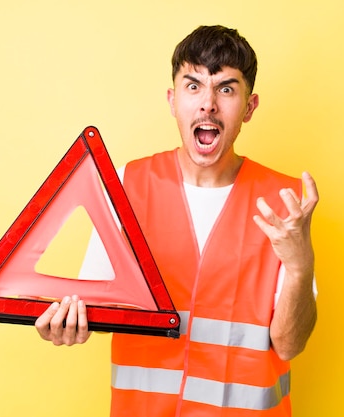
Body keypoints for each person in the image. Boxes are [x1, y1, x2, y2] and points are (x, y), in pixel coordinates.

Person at [35, 25, 318, 416]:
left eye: (226, 89)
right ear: (172, 100)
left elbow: (288, 345)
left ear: (249, 107)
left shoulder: (284, 203)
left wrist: (301, 266)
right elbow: (93, 308)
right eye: (193, 86)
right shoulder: (126, 184)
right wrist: (67, 323)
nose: (208, 104)